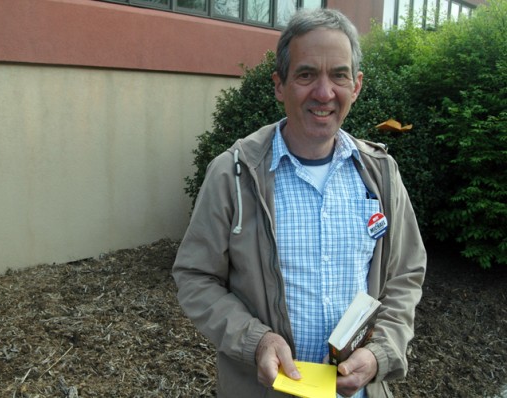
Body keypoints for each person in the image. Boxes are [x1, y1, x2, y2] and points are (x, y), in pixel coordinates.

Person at [173, 8, 426, 398]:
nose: (324, 93)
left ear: (356, 86)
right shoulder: (233, 175)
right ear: (279, 85)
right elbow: (194, 276)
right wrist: (255, 340)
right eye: (306, 74)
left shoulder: (380, 174)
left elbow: (405, 275)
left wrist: (381, 353)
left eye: (339, 75)